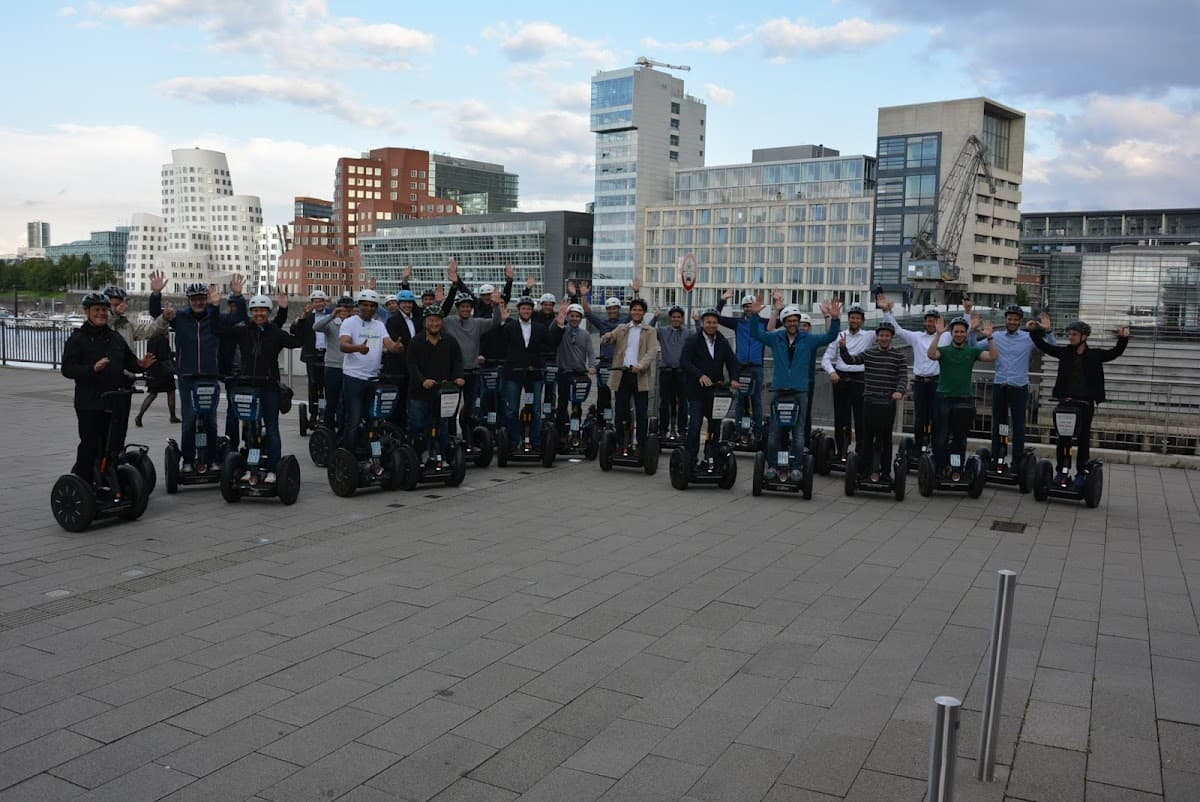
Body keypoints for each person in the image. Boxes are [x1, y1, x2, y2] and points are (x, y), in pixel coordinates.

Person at [154, 276, 248, 472]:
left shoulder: (215, 318)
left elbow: (236, 317)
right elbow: (157, 314)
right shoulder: (181, 318)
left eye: (202, 298)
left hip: (209, 376)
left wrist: (237, 296)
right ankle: (188, 460)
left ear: (206, 299)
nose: (198, 302)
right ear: (189, 300)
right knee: (188, 421)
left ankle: (212, 458)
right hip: (187, 376)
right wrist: (156, 294)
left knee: (210, 421)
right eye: (194, 299)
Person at [61, 293, 155, 480]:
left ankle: (109, 480)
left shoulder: (115, 338)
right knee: (90, 445)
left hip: (114, 400)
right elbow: (67, 369)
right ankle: (84, 483)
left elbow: (129, 361)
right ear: (87, 312)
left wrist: (140, 365)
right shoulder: (78, 339)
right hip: (89, 402)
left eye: (104, 310)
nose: (101, 313)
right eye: (97, 310)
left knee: (112, 445)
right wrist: (92, 368)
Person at [748, 297, 841, 480]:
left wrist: (833, 318)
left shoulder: (808, 339)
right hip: (779, 390)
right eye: (789, 321)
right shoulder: (776, 338)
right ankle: (773, 466)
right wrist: (754, 315)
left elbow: (830, 337)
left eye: (795, 321)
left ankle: (797, 466)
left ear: (799, 322)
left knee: (798, 433)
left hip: (800, 391)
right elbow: (756, 334)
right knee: (775, 433)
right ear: (784, 323)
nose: (792, 324)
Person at [1030, 319, 1129, 484]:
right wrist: (1035, 332)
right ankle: (1062, 470)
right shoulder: (1065, 353)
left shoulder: (1095, 355)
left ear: (1084, 336)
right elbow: (1045, 347)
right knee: (1063, 438)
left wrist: (1123, 338)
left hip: (1085, 404)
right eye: (1069, 334)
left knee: (1083, 438)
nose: (1070, 337)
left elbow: (1114, 352)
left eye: (1074, 334)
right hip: (1066, 403)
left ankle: (1082, 472)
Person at [968, 305, 1055, 472]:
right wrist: (972, 331)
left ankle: (1017, 463)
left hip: (1019, 387)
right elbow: (974, 348)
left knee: (1019, 426)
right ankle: (997, 459)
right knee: (999, 425)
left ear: (1019, 321)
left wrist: (1049, 331)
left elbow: (1051, 348)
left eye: (1016, 319)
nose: (1012, 322)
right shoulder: (996, 337)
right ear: (1006, 320)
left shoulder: (1029, 338)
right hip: (1000, 386)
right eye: (1010, 319)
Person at [229, 294, 302, 481]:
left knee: (272, 428)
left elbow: (297, 342)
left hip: (269, 387)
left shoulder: (275, 332)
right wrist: (214, 307)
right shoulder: (244, 331)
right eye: (255, 310)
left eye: (262, 310)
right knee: (251, 429)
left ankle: (273, 470)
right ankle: (252, 468)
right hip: (249, 387)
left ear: (268, 312)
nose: (259, 313)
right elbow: (219, 330)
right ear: (251, 313)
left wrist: (300, 322)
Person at [879, 293, 953, 456]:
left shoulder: (946, 336)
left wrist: (968, 314)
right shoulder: (916, 337)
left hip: (936, 382)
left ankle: (935, 448)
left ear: (938, 322)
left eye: (933, 320)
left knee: (936, 417)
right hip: (919, 382)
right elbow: (897, 330)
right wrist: (886, 312)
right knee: (919, 418)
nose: (930, 323)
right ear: (924, 322)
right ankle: (919, 447)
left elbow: (963, 333)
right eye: (927, 320)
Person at [837, 321, 908, 483]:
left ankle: (885, 473)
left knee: (886, 439)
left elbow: (903, 377)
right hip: (869, 400)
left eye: (887, 336)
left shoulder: (899, 357)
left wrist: (899, 391)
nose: (884, 338)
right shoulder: (869, 354)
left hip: (888, 402)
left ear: (891, 337)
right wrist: (843, 348)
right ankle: (865, 470)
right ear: (877, 337)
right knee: (867, 438)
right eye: (881, 335)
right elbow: (850, 361)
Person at [927, 316, 998, 474]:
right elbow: (931, 355)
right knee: (941, 437)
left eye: (962, 331)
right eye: (956, 331)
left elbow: (993, 356)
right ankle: (940, 468)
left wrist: (990, 337)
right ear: (951, 333)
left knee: (960, 438)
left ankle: (956, 469)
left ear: (966, 334)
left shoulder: (972, 351)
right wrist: (938, 335)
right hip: (944, 398)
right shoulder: (944, 351)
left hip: (964, 400)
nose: (959, 334)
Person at [339, 289, 402, 449]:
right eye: (365, 305)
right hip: (353, 378)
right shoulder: (349, 322)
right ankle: (348, 455)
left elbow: (389, 345)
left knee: (372, 419)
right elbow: (343, 345)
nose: (369, 308)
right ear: (359, 306)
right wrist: (357, 348)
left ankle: (368, 452)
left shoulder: (379, 325)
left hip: (374, 378)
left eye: (372, 306)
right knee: (353, 418)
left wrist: (396, 347)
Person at [497, 296, 563, 448]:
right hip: (513, 373)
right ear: (518, 310)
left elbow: (552, 344)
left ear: (532, 311)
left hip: (534, 374)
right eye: (523, 308)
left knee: (536, 410)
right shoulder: (510, 326)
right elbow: (500, 343)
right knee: (511, 410)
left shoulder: (539, 327)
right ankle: (515, 441)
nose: (526, 311)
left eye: (528, 308)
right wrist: (502, 322)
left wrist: (559, 325)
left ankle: (535, 441)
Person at [680, 308, 740, 464]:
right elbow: (685, 361)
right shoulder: (693, 340)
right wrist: (699, 374)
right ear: (702, 323)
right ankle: (691, 460)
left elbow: (732, 361)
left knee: (715, 427)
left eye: (714, 323)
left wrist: (734, 378)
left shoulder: (721, 340)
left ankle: (711, 456)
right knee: (695, 426)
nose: (712, 325)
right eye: (708, 322)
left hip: (716, 391)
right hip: (697, 391)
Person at [407, 306, 465, 464]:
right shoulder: (416, 342)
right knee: (418, 426)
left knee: (442, 428)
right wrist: (422, 380)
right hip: (419, 393)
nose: (434, 323)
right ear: (425, 322)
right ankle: (418, 457)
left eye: (437, 320)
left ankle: (442, 457)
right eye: (431, 320)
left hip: (442, 392)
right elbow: (411, 365)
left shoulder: (449, 341)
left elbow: (458, 361)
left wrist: (458, 377)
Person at [604, 298, 660, 451]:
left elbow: (652, 351)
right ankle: (620, 442)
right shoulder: (622, 328)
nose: (637, 312)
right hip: (622, 374)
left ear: (644, 313)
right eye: (634, 309)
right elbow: (609, 338)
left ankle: (641, 444)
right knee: (620, 411)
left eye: (640, 310)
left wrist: (640, 365)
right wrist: (607, 337)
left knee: (642, 412)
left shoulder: (650, 331)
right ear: (630, 312)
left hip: (639, 376)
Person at [821, 304, 875, 460]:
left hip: (860, 379)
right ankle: (841, 452)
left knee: (861, 418)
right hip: (841, 379)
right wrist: (832, 372)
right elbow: (826, 358)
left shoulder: (869, 336)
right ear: (848, 319)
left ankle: (860, 453)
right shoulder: (839, 336)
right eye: (852, 317)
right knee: (841, 418)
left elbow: (889, 330)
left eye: (858, 318)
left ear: (863, 321)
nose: (854, 320)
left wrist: (886, 309)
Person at [715, 289, 768, 441]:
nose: (749, 309)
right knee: (739, 400)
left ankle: (757, 433)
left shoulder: (763, 323)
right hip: (740, 366)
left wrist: (779, 307)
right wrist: (723, 300)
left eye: (751, 306)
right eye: (746, 306)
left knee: (756, 400)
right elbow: (716, 317)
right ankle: (739, 432)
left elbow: (782, 321)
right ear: (743, 308)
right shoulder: (738, 322)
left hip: (756, 366)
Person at [550, 302, 595, 436]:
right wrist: (560, 316)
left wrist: (592, 366)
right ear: (568, 317)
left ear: (581, 318)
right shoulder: (561, 330)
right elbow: (552, 330)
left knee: (577, 405)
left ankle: (576, 433)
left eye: (577, 316)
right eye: (572, 316)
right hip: (564, 372)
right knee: (562, 403)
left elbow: (591, 352)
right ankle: (560, 434)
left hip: (580, 373)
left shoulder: (585, 334)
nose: (574, 318)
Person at [314, 296, 355, 432]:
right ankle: (328, 431)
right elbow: (316, 327)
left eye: (348, 310)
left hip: (350, 368)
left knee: (345, 403)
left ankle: (343, 431)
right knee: (331, 402)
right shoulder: (332, 324)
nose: (345, 312)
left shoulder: (354, 324)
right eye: (342, 309)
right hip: (332, 367)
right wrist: (332, 315)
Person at [291, 289, 331, 425]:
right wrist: (302, 318)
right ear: (312, 303)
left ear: (325, 302)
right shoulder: (307, 317)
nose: (318, 304)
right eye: (315, 302)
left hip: (328, 354)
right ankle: (314, 412)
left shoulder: (331, 316)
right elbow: (294, 331)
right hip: (312, 355)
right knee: (313, 384)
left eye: (320, 301)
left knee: (329, 384)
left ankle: (329, 412)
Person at [383, 289, 419, 430]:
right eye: (404, 303)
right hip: (398, 369)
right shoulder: (392, 321)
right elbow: (396, 346)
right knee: (397, 404)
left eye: (410, 303)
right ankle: (396, 432)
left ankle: (408, 431)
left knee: (410, 403)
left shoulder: (416, 319)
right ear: (399, 304)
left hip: (413, 368)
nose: (407, 306)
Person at [656, 305, 689, 438]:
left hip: (681, 371)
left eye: (678, 317)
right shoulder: (663, 331)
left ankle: (682, 430)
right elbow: (649, 331)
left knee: (682, 402)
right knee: (664, 402)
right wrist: (655, 317)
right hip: (666, 371)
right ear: (670, 318)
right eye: (674, 317)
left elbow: (700, 336)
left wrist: (698, 321)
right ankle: (663, 429)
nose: (676, 319)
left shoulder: (687, 332)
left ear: (682, 319)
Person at [134, 330, 179, 426]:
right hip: (164, 371)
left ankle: (139, 416)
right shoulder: (163, 340)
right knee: (171, 391)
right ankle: (172, 416)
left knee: (152, 394)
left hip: (152, 369)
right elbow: (165, 355)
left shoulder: (151, 340)